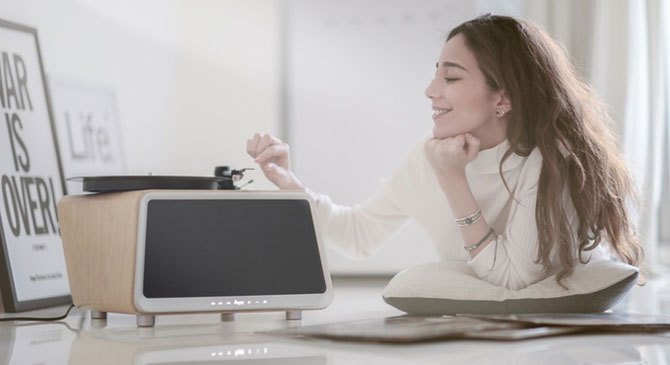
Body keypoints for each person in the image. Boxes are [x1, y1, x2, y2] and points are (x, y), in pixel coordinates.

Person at [245, 14, 643, 290]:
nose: (431, 90)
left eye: (450, 76)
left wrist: (453, 179)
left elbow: (512, 278)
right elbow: (357, 236)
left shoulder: (547, 159)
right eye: (436, 72)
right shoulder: (427, 157)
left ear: (502, 97)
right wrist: (289, 183)